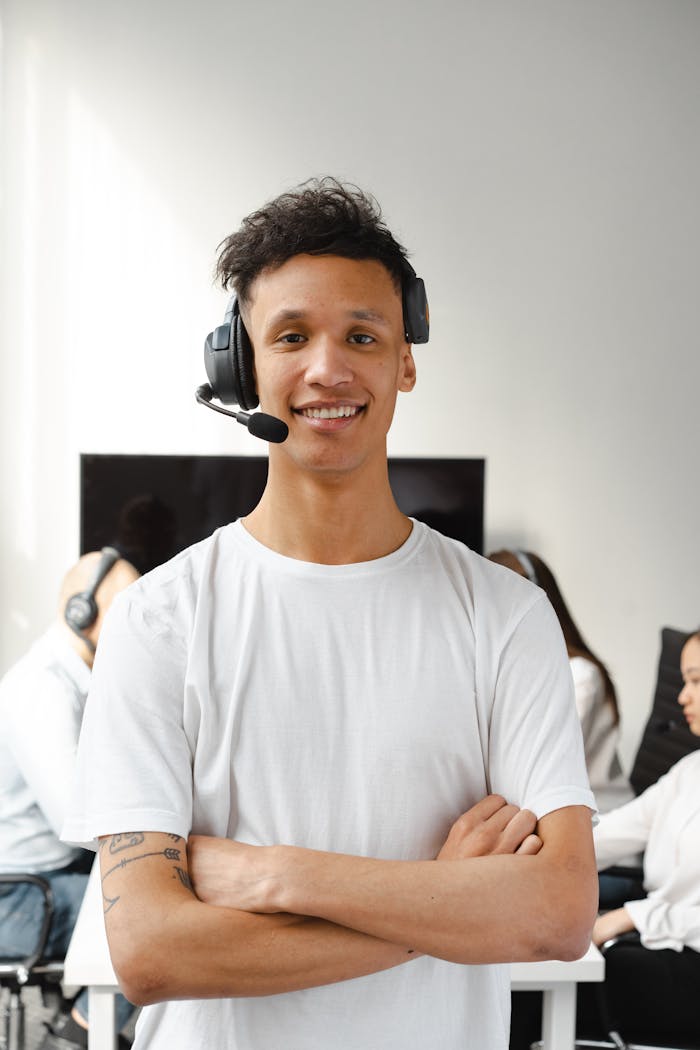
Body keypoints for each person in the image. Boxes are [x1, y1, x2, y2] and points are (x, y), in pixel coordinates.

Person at [63, 178, 598, 1050]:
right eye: (291, 337)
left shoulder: (505, 614)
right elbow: (152, 951)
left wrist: (276, 875)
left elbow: (554, 916)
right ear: (239, 367)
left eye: (362, 335)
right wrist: (444, 900)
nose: (328, 369)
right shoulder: (159, 619)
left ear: (406, 361)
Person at [0, 548, 139, 1050]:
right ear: (81, 611)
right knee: (153, 905)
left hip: (46, 879)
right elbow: (79, 820)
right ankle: (78, 1035)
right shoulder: (40, 689)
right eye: (127, 609)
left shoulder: (75, 681)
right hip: (15, 898)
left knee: (158, 882)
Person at [575, 627, 700, 1043]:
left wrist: (629, 917)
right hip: (659, 942)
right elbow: (610, 834)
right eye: (684, 681)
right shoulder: (689, 771)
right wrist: (532, 855)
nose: (682, 696)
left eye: (696, 681)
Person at [488, 549, 631, 813]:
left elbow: (534, 765)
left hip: (599, 825)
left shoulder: (581, 675)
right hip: (544, 818)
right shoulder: (510, 669)